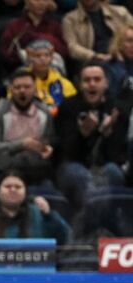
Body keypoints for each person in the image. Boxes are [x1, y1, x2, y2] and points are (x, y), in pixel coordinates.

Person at [53, 61, 128, 204]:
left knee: (114, 172)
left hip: (104, 166)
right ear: (79, 84)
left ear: (106, 83)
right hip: (71, 166)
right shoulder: (67, 107)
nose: (92, 84)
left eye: (97, 79)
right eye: (87, 80)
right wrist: (83, 134)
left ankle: (97, 218)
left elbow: (117, 156)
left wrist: (107, 134)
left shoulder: (116, 109)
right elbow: (64, 153)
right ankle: (95, 221)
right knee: (79, 174)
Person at [0, 67, 55, 187]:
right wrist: (21, 144)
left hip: (33, 172)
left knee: (49, 189)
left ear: (35, 89)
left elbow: (48, 143)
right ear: (10, 90)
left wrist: (47, 150)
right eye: (17, 87)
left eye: (27, 87)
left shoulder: (44, 113)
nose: (22, 91)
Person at [0, 169, 73, 241]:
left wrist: (49, 215)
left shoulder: (39, 214)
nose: (13, 190)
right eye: (8, 186)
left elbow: (65, 238)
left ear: (26, 192)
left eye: (18, 187)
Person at [62, 0, 133, 71]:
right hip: (93, 63)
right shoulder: (70, 20)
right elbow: (72, 47)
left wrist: (118, 52)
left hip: (122, 57)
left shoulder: (121, 12)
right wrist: (95, 56)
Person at [0, 0, 69, 70]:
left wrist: (43, 38)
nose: (41, 3)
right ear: (26, 2)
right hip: (22, 71)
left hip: (52, 70)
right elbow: (6, 53)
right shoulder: (15, 26)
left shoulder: (55, 25)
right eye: (36, 0)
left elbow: (64, 51)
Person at [26, 37, 77, 113]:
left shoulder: (64, 83)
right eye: (37, 56)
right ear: (29, 58)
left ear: (52, 58)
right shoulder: (21, 82)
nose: (43, 59)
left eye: (47, 55)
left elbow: (74, 107)